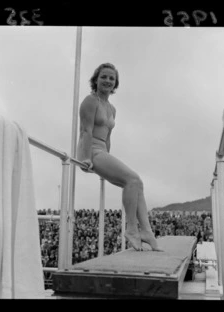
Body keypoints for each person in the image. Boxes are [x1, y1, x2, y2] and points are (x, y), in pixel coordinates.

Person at [77, 63, 163, 252]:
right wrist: (85, 158)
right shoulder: (90, 101)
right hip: (90, 150)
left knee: (136, 183)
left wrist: (108, 160)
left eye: (111, 78)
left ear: (115, 83)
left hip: (102, 151)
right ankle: (132, 229)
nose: (108, 81)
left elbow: (108, 137)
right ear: (96, 80)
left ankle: (147, 231)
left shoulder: (112, 108)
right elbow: (85, 130)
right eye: (104, 77)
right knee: (132, 179)